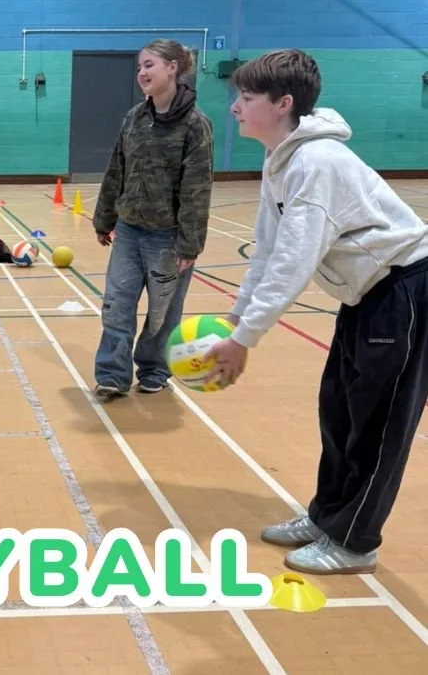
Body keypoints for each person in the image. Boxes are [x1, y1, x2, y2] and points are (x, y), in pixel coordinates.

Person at [203, 49, 428, 575]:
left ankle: (355, 541)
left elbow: (294, 259)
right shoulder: (280, 158)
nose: (234, 107)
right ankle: (329, 517)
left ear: (283, 104)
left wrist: (244, 341)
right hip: (366, 295)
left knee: (378, 424)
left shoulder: (315, 162)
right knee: (339, 411)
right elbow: (266, 246)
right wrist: (237, 316)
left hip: (405, 293)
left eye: (246, 97)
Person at [92, 39, 214, 398]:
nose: (142, 73)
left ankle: (154, 369)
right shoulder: (134, 118)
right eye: (140, 67)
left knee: (163, 314)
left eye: (149, 65)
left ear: (173, 68)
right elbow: (117, 168)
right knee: (116, 305)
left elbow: (197, 188)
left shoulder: (195, 125)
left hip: (169, 238)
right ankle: (112, 375)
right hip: (129, 232)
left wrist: (190, 243)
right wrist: (105, 217)